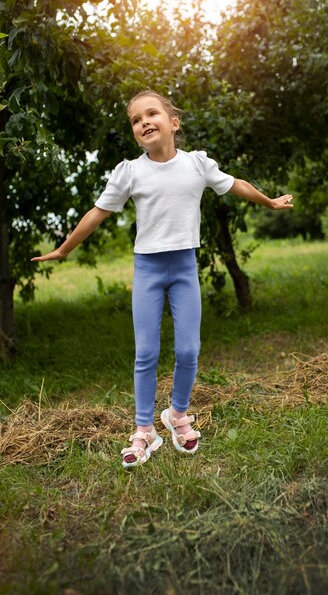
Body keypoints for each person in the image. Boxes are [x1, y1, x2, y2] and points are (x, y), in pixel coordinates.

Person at [31, 90, 293, 469]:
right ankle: (144, 430)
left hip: (185, 267)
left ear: (174, 122)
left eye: (152, 114)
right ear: (135, 133)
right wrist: (65, 249)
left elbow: (235, 184)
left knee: (188, 350)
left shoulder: (197, 165)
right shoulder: (131, 172)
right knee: (146, 354)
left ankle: (177, 415)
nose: (144, 122)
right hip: (149, 271)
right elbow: (97, 212)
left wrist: (269, 201)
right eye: (136, 120)